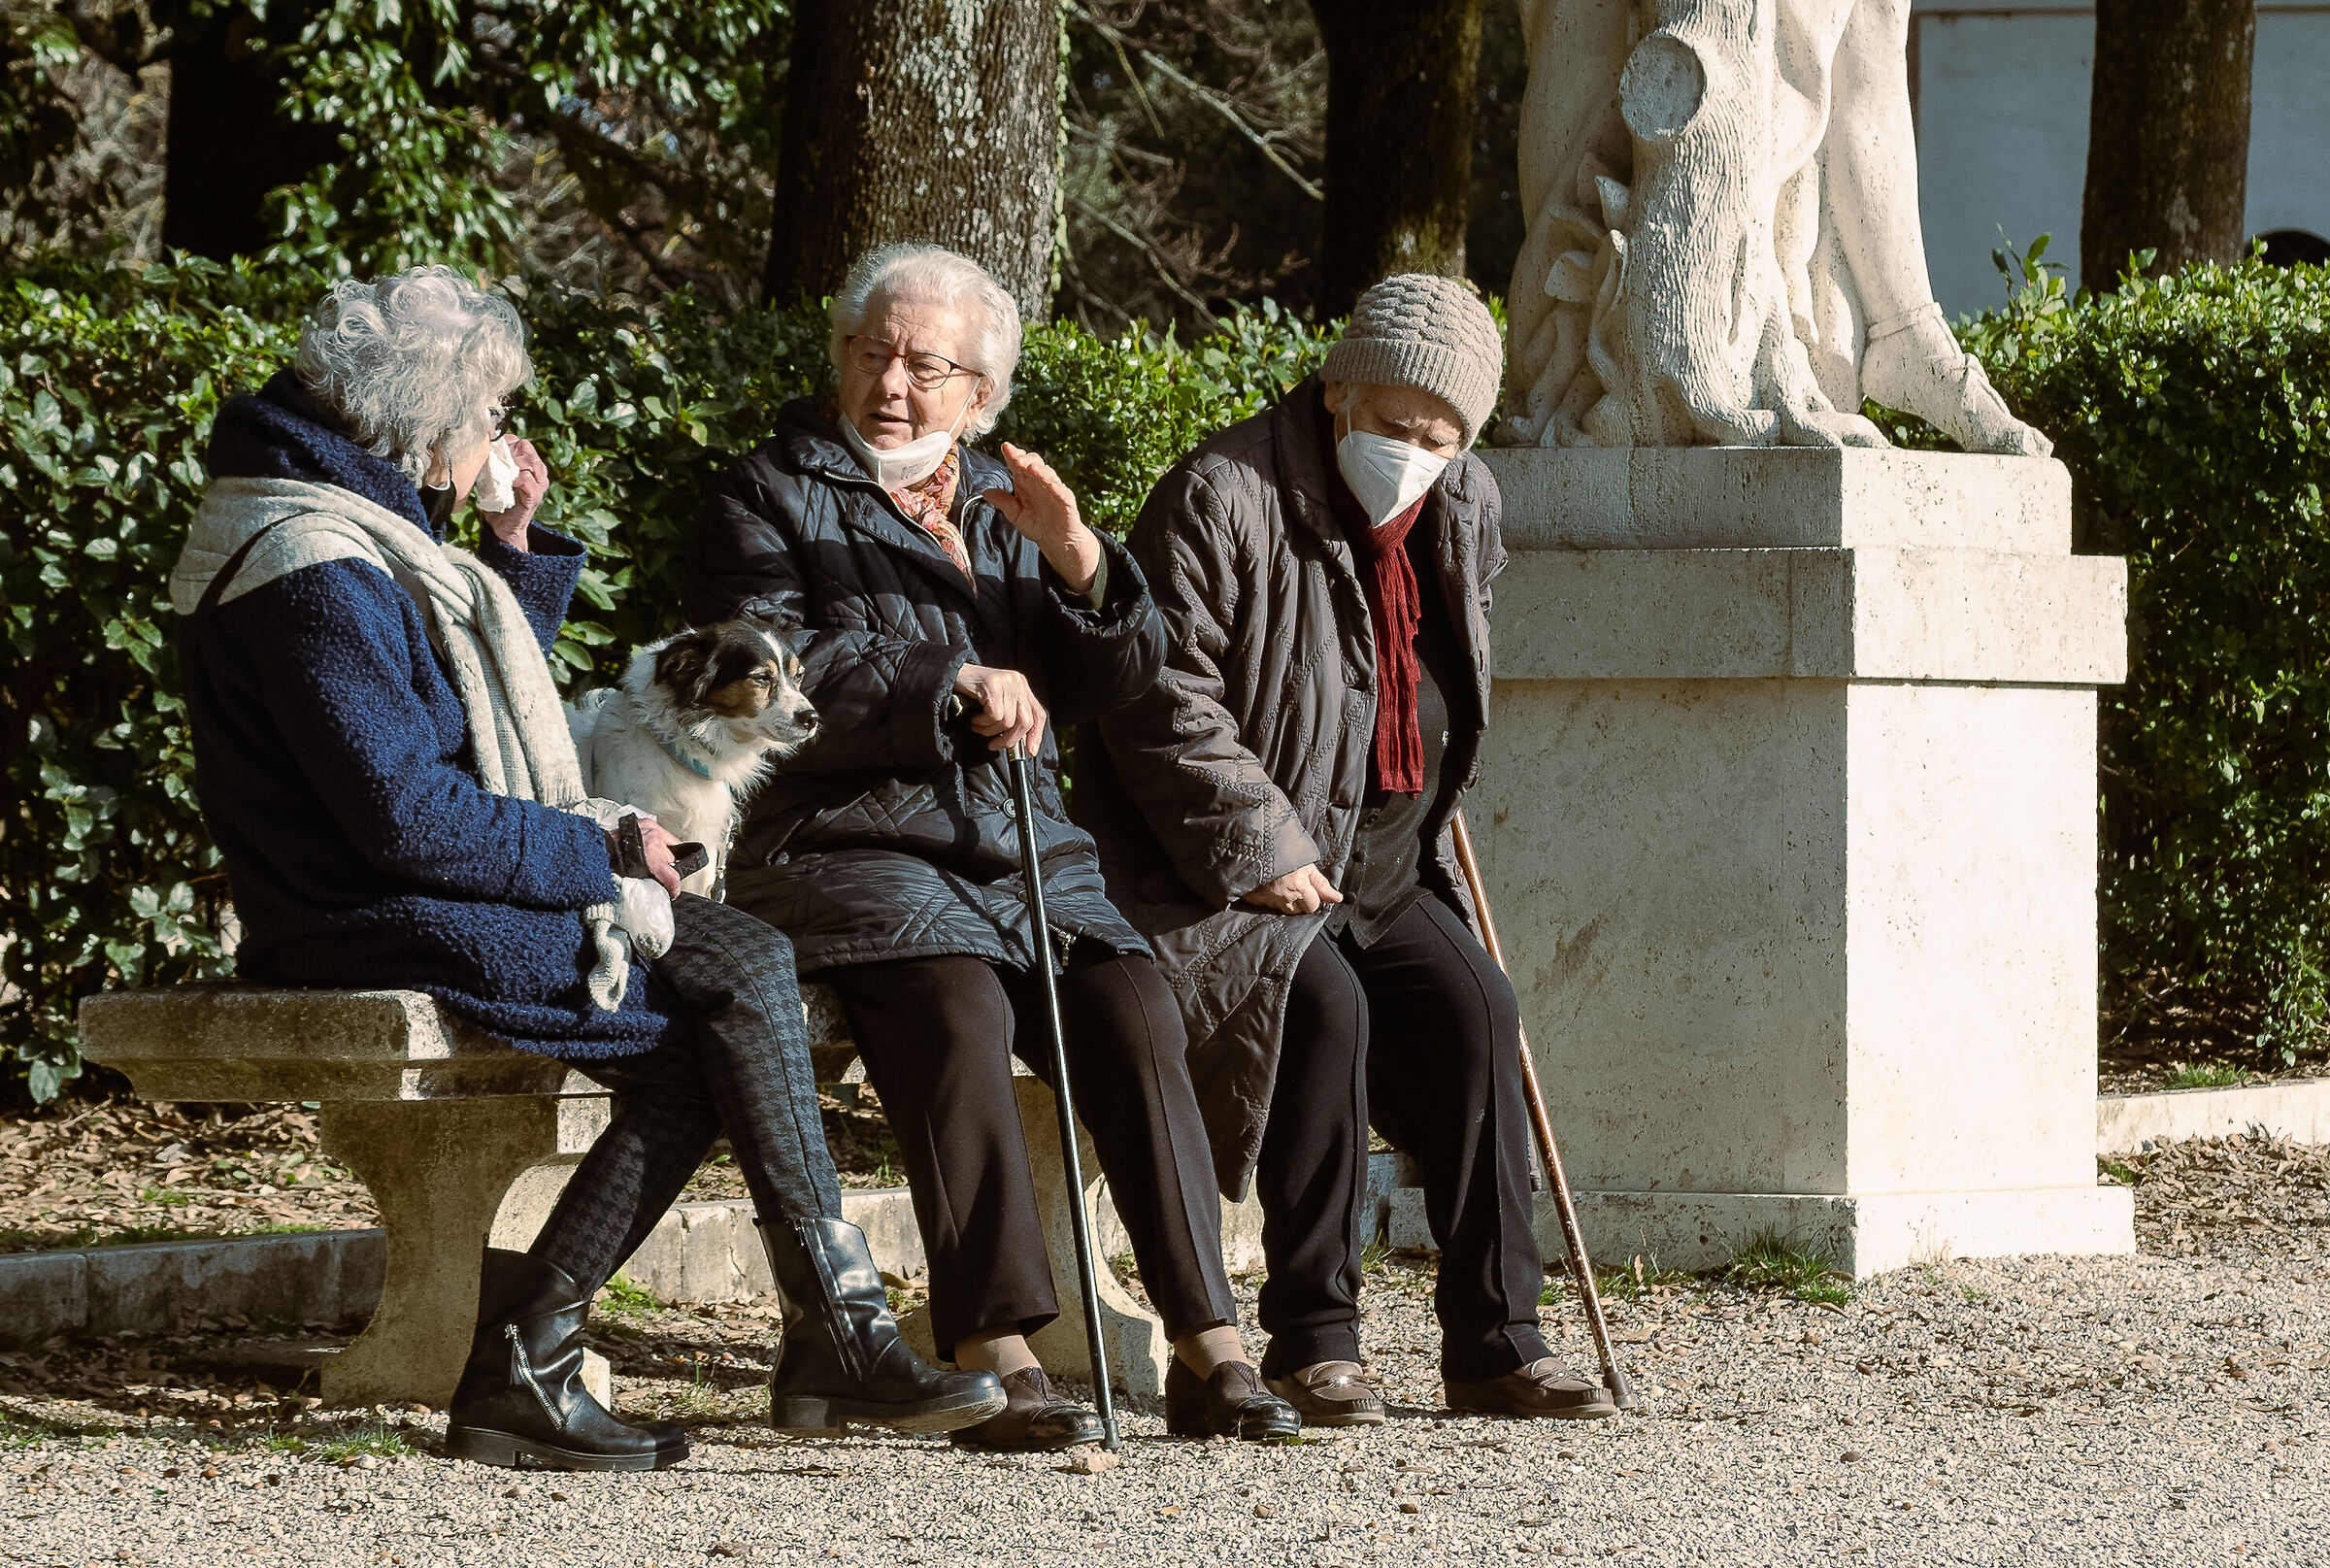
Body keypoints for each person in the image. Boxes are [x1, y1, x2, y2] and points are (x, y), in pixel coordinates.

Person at [169, 266, 1003, 1471]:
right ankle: (797, 1337)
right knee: (738, 984)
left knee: (728, 1006)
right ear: (415, 418)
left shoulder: (347, 529)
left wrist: (508, 549)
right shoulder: (312, 566)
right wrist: (605, 845)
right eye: (479, 418)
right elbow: (406, 817)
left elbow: (441, 722)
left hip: (399, 885)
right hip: (362, 910)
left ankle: (580, 1355)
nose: (489, 441)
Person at [688, 242, 1299, 1450]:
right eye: (873, 354)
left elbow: (1115, 685)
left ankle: (1209, 1343)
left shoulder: (1000, 500)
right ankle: (993, 1347)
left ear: (981, 392)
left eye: (927, 365)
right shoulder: (765, 491)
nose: (894, 384)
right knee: (956, 1004)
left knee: (1131, 1004)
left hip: (1021, 852)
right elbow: (758, 665)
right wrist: (945, 676)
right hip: (846, 843)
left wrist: (1080, 560)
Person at [1081, 274, 1618, 1426]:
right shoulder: (1223, 494)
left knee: (1478, 1008)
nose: (1412, 450)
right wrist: (1262, 845)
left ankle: (1496, 1343)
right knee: (1324, 1007)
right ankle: (1312, 1341)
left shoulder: (1463, 505)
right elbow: (1159, 697)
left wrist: (1427, 792)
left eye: (1439, 434)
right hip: (1212, 868)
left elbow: (1434, 676)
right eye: (1391, 419)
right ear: (1336, 392)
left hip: (1374, 855)